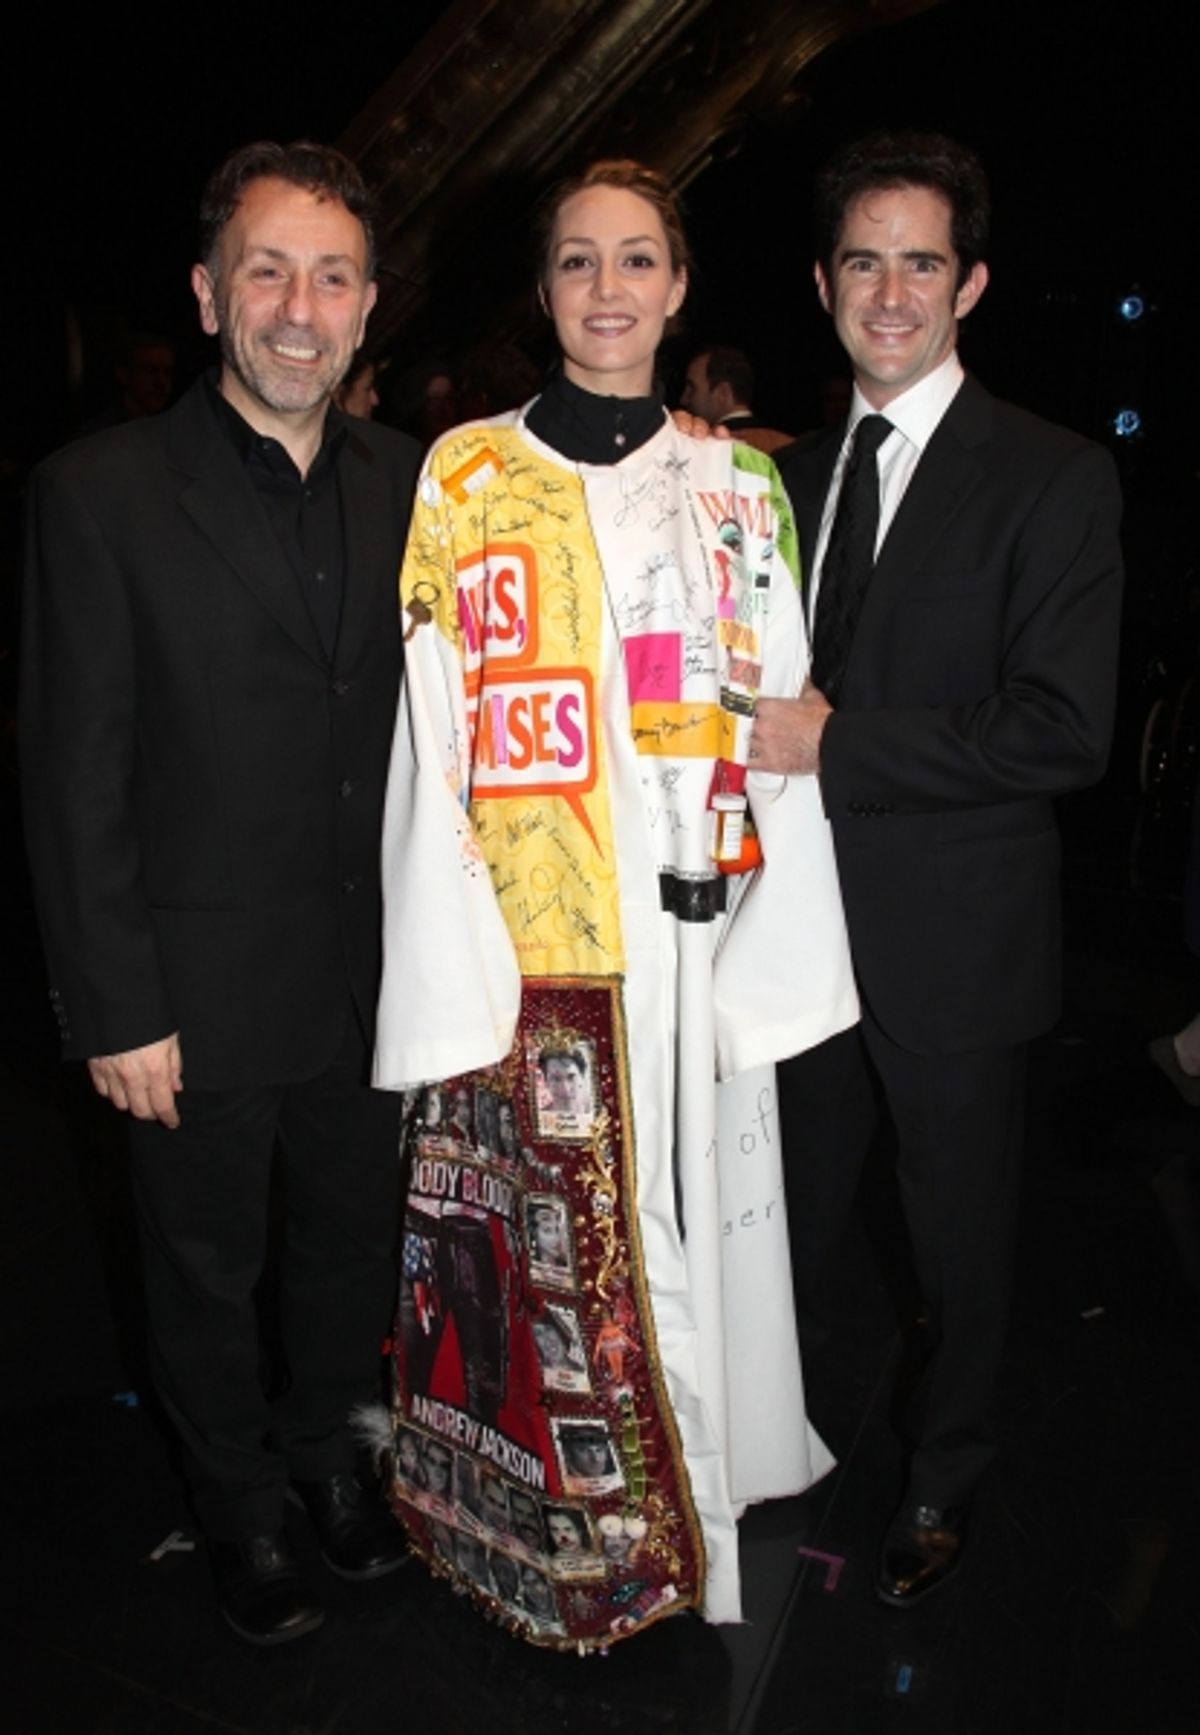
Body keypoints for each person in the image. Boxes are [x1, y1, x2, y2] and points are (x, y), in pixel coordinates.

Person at [374, 157, 857, 1649]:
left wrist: (768, 924)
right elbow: (433, 721)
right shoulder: (463, 475)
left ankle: (696, 1500)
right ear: (543, 287)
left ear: (680, 283)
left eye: (637, 258)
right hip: (529, 936)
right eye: (577, 260)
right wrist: (449, 944)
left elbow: (776, 702)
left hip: (693, 922)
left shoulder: (737, 486)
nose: (607, 288)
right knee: (546, 1256)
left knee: (695, 1216)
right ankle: (562, 1536)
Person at [20, 140, 420, 1645]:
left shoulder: (421, 485)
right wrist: (114, 1003)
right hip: (187, 994)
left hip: (376, 976)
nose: (299, 309)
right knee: (200, 1271)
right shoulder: (97, 492)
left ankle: (330, 1457)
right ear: (207, 294)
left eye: (331, 277)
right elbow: (73, 772)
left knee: (347, 1248)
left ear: (368, 305)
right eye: (268, 272)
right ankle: (238, 1501)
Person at [751, 131, 1124, 1607]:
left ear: (969, 284)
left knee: (959, 1239)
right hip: (788, 933)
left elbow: (1063, 728)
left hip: (955, 942)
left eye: (921, 262)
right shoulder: (776, 478)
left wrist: (838, 744)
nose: (891, 292)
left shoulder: (1052, 473)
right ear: (823, 283)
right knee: (782, 1215)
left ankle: (946, 1470)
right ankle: (768, 1434)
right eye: (864, 261)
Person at [680, 344, 793, 455]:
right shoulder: (788, 444)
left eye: (692, 388)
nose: (683, 400)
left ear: (722, 393)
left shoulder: (701, 446)